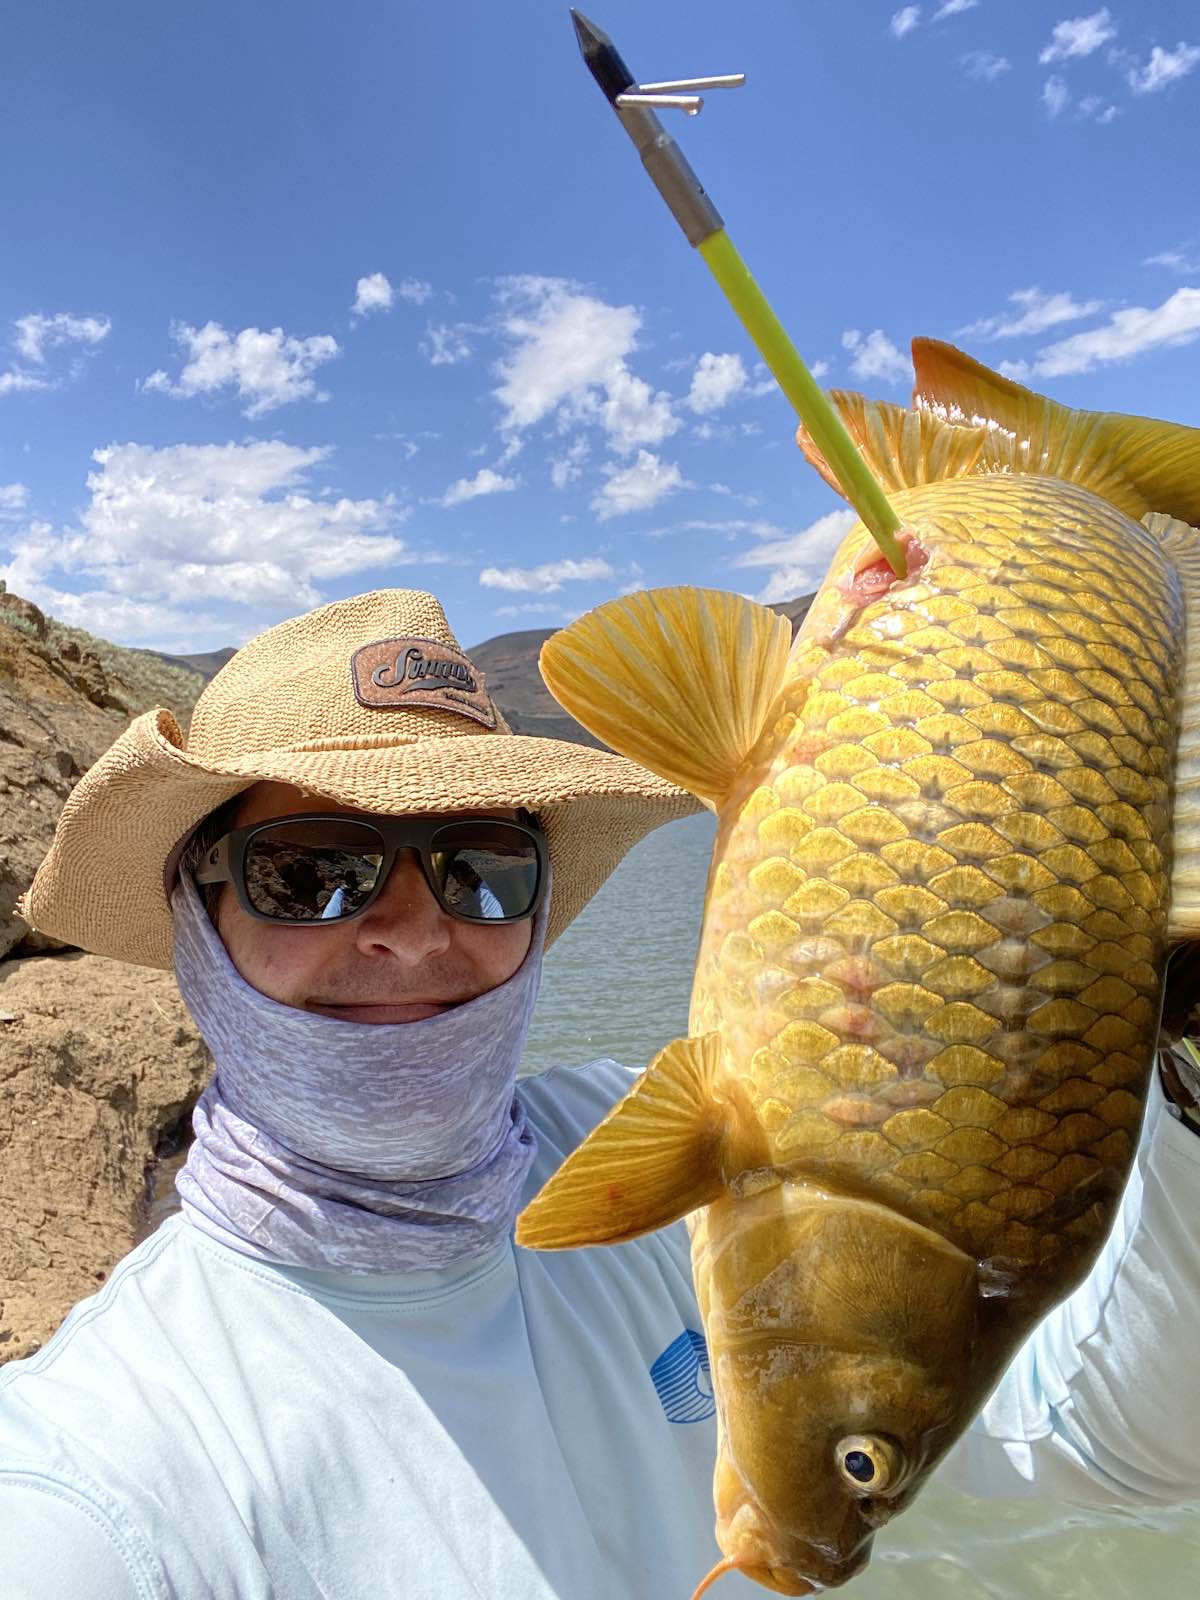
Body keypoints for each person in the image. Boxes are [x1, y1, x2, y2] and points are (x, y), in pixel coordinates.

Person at [1, 586, 1198, 1600]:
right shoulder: (99, 1484)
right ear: (196, 920)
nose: (414, 934)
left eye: (479, 869)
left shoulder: (692, 1162)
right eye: (313, 871)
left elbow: (1097, 1439)